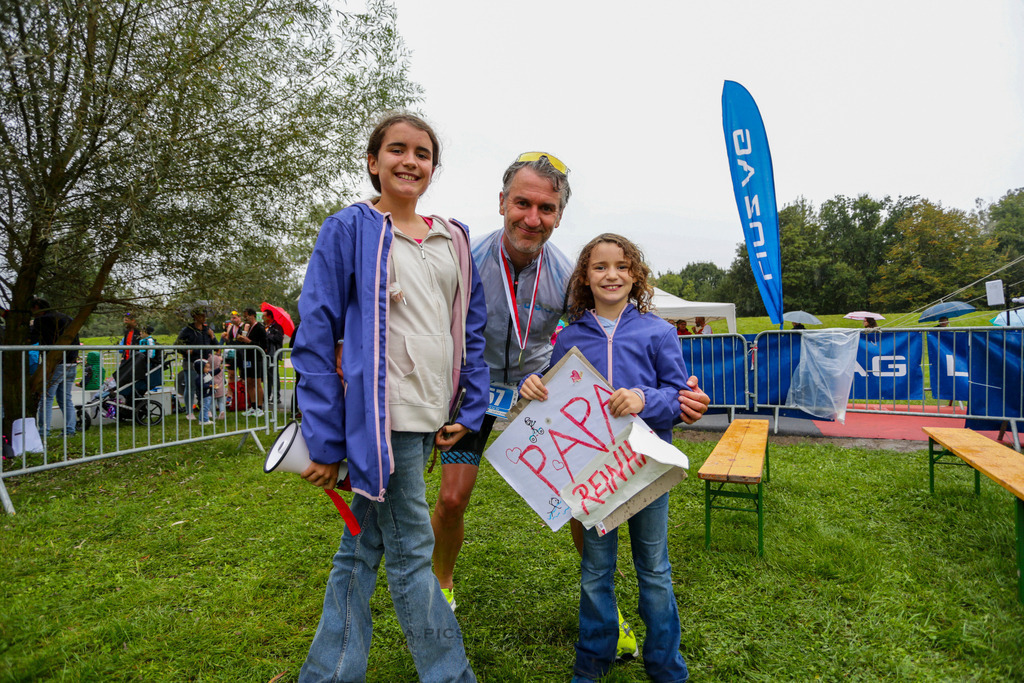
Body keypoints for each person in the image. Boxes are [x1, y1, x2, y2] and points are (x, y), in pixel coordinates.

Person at [429, 152, 710, 654]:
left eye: (546, 208)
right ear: (501, 202)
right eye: (522, 203)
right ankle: (442, 585)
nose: (532, 218)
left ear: (558, 215)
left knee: (587, 504)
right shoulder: (466, 259)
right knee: (452, 497)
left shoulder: (564, 273)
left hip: (541, 389)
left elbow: (598, 335)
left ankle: (607, 613)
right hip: (474, 387)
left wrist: (673, 389)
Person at [292, 112, 486, 682]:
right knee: (411, 554)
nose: (410, 161)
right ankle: (450, 676)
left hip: (431, 415)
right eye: (396, 150)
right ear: (373, 162)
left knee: (361, 546)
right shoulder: (349, 229)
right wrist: (325, 441)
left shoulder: (453, 237)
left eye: (422, 153)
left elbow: (467, 329)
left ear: (432, 168)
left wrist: (468, 409)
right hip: (385, 419)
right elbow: (315, 333)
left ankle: (328, 674)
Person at [519, 233, 690, 683]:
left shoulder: (659, 332)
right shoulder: (570, 338)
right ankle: (591, 663)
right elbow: (553, 400)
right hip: (594, 475)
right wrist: (533, 386)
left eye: (621, 266)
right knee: (596, 570)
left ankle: (666, 667)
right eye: (600, 267)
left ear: (635, 276)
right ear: (585, 277)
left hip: (646, 470)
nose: (611, 275)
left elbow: (678, 398)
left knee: (653, 568)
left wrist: (643, 398)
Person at [30, 298, 80, 436]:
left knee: (46, 398)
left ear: (36, 307)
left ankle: (43, 432)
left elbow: (32, 338)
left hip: (55, 363)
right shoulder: (67, 318)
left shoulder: (42, 321)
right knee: (66, 399)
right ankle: (70, 430)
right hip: (71, 363)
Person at [174, 308, 217, 420]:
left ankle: (204, 409)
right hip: (191, 362)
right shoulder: (187, 330)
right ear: (195, 317)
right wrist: (187, 351)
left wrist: (212, 336)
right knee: (191, 386)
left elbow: (216, 346)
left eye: (204, 315)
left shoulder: (207, 330)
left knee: (204, 386)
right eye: (201, 315)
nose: (203, 318)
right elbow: (177, 345)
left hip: (204, 363)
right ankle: (189, 411)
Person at [235, 307, 267, 417]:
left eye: (246, 315)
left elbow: (264, 346)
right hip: (247, 358)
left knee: (257, 382)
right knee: (248, 382)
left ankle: (260, 407)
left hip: (256, 358)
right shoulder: (247, 327)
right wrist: (242, 339)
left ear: (252, 315)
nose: (245, 318)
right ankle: (253, 406)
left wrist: (249, 341)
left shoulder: (260, 327)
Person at [262, 308, 285, 415]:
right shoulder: (263, 327)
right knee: (267, 377)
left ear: (270, 317)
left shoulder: (277, 327)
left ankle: (277, 396)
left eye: (264, 316)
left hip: (273, 354)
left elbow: (278, 339)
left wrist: (268, 336)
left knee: (274, 376)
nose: (263, 318)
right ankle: (267, 395)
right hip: (265, 355)